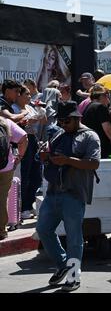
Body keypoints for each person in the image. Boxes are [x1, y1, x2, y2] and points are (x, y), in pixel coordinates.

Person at [36, 101, 100, 292]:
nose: (62, 124)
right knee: (43, 230)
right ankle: (63, 264)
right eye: (60, 121)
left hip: (74, 194)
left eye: (66, 121)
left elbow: (93, 163)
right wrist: (45, 156)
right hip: (54, 192)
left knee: (74, 238)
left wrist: (68, 161)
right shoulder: (58, 134)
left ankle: (73, 276)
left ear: (76, 118)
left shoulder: (90, 136)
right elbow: (48, 155)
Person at [12, 86, 46, 219]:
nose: (29, 96)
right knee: (24, 174)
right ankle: (23, 207)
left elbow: (44, 121)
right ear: (19, 95)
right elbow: (18, 123)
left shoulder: (30, 107)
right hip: (22, 141)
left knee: (37, 175)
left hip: (33, 140)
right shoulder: (14, 108)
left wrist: (41, 111)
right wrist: (28, 120)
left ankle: (29, 203)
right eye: (26, 94)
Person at [0, 116, 28, 240]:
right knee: (2, 198)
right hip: (5, 166)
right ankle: (1, 230)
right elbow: (23, 137)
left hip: (6, 166)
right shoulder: (5, 122)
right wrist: (20, 157)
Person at [82, 85, 111, 159]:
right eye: (106, 95)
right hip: (101, 148)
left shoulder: (88, 108)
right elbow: (107, 128)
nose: (108, 99)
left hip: (89, 148)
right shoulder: (100, 107)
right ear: (101, 96)